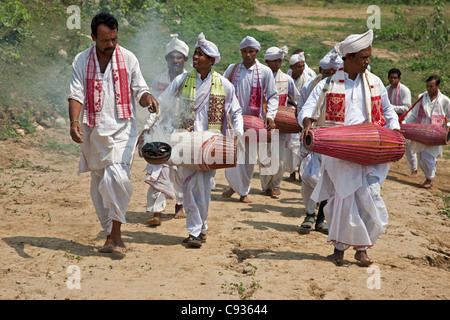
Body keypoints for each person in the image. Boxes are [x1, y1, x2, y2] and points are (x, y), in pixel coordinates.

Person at [299, 30, 401, 266]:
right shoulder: (327, 84)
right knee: (341, 200)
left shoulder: (375, 82)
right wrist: (307, 122)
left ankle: (362, 248)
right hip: (339, 153)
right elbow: (308, 108)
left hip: (370, 152)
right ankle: (340, 249)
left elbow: (387, 111)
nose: (368, 61)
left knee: (370, 198)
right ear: (349, 58)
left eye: (368, 56)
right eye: (363, 57)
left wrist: (394, 131)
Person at [68, 13, 159, 254]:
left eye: (114, 39)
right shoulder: (81, 60)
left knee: (116, 179)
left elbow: (140, 89)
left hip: (123, 132)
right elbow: (76, 94)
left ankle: (117, 236)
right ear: (93, 37)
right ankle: (110, 235)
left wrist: (147, 98)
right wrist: (73, 121)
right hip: (93, 133)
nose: (110, 45)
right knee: (99, 185)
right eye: (105, 40)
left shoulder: (127, 58)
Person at [157, 33, 243, 247]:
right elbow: (163, 102)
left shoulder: (224, 84)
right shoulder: (182, 80)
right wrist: (154, 119)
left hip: (211, 143)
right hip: (186, 141)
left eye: (200, 54)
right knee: (188, 185)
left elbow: (236, 112)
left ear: (211, 60)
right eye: (195, 53)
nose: (195, 58)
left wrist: (238, 133)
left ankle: (197, 230)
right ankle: (198, 230)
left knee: (202, 185)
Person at [139, 34, 190, 226]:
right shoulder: (159, 79)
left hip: (183, 130)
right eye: (171, 57)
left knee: (180, 170)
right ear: (166, 59)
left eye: (179, 57)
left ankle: (180, 206)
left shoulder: (190, 78)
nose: (175, 60)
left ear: (185, 59)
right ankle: (156, 212)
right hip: (160, 129)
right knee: (156, 168)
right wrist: (147, 129)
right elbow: (155, 106)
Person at [221, 36, 279, 203]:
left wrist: (270, 115)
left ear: (256, 52)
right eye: (245, 51)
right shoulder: (232, 69)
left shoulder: (265, 72)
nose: (248, 55)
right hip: (233, 120)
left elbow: (273, 95)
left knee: (248, 158)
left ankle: (243, 192)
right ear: (241, 52)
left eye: (251, 52)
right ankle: (234, 185)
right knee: (231, 156)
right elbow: (223, 88)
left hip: (254, 121)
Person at [297, 49, 342, 234]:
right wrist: (306, 124)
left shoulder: (344, 87)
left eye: (334, 72)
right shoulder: (312, 85)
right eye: (327, 72)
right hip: (312, 139)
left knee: (329, 179)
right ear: (321, 70)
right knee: (309, 177)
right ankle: (309, 213)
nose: (330, 75)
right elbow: (302, 108)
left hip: (335, 141)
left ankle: (320, 218)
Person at [262, 46, 300, 196]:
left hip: (281, 124)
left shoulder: (286, 79)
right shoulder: (261, 77)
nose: (277, 63)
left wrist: (294, 112)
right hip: (263, 123)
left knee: (279, 159)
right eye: (274, 61)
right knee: (265, 157)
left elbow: (295, 98)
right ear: (267, 61)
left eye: (279, 60)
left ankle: (276, 184)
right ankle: (266, 186)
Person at [404, 75, 450, 189]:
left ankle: (429, 179)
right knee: (420, 157)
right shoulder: (421, 97)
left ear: (438, 86)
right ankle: (428, 174)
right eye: (427, 86)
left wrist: (448, 127)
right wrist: (405, 125)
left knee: (427, 156)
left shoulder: (444, 100)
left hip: (435, 134)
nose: (428, 88)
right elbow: (414, 115)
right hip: (420, 132)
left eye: (431, 86)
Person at [386, 68, 417, 176]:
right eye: (391, 77)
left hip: (404, 121)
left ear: (399, 78)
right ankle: (385, 165)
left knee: (408, 146)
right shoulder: (386, 89)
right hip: (391, 120)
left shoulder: (404, 90)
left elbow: (407, 108)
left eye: (395, 78)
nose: (392, 80)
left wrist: (392, 108)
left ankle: (414, 169)